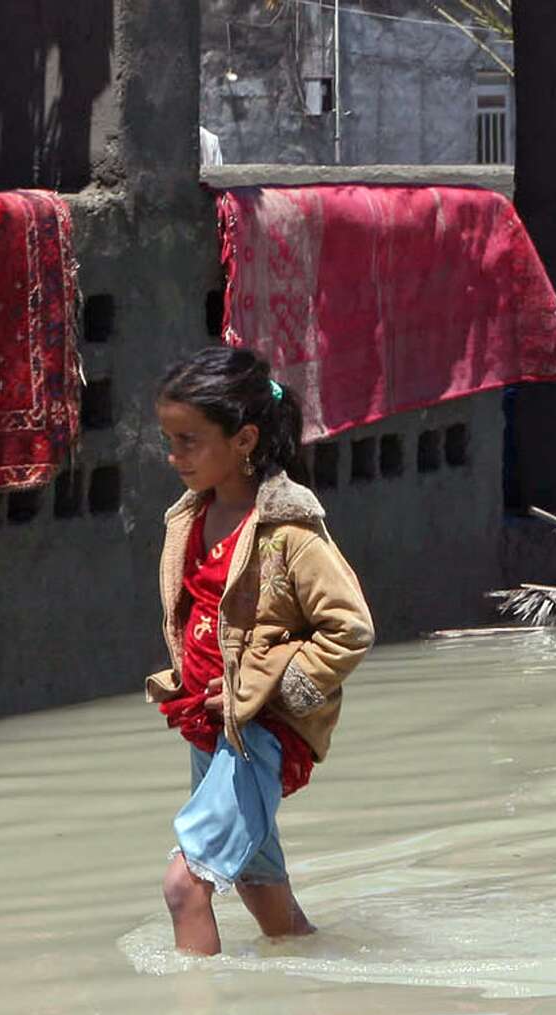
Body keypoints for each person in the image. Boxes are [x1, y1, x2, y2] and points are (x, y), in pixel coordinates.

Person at [148, 346, 374, 956]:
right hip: (209, 724)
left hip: (258, 731)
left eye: (189, 441)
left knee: (184, 885)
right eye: (169, 440)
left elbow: (350, 628)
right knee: (258, 885)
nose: (174, 457)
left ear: (244, 439)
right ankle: (316, 989)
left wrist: (271, 684)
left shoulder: (289, 532)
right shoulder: (190, 518)